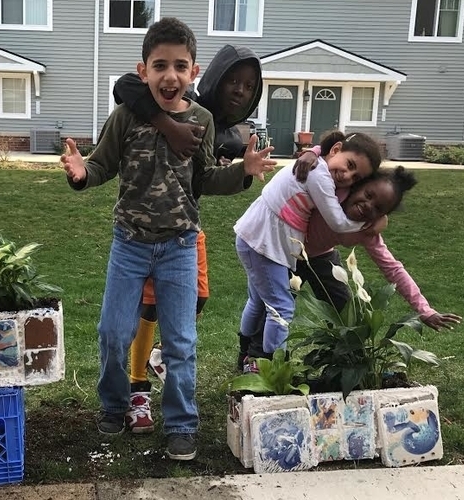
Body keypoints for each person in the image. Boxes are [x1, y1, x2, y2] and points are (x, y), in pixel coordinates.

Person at [61, 17, 254, 461]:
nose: (170, 75)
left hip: (180, 247)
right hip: (128, 244)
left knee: (181, 341)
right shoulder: (126, 115)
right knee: (113, 332)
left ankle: (182, 425)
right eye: (160, 65)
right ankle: (114, 405)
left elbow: (204, 179)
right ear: (142, 70)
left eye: (180, 66)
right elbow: (101, 166)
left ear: (194, 72)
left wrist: (242, 173)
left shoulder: (202, 119)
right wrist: (80, 173)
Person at [112, 44, 285, 434]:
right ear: (212, 77)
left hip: (187, 229)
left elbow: (210, 170)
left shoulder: (217, 124)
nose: (239, 90)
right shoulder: (182, 98)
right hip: (146, 230)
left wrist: (243, 163)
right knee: (150, 308)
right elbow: (125, 85)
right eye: (232, 80)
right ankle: (137, 385)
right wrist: (168, 125)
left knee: (199, 297)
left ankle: (160, 356)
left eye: (248, 85)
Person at [234, 131, 382, 366]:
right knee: (281, 307)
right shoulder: (318, 175)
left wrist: (314, 151)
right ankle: (270, 365)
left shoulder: (317, 165)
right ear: (335, 149)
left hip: (256, 237)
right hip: (264, 243)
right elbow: (338, 222)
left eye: (356, 176)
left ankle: (246, 354)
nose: (348, 175)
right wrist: (370, 222)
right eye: (350, 164)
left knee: (259, 301)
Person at [298, 166, 462, 330]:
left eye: (378, 208)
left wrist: (425, 311)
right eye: (368, 195)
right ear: (357, 186)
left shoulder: (366, 229)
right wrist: (313, 153)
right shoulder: (329, 193)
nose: (369, 205)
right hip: (283, 253)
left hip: (322, 258)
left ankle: (343, 356)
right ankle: (271, 352)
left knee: (348, 322)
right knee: (275, 311)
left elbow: (393, 268)